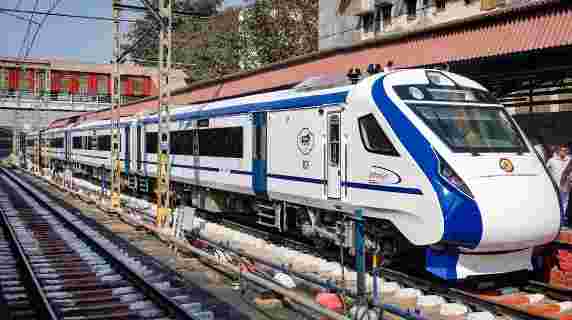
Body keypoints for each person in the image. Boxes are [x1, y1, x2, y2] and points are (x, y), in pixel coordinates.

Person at [547, 145, 572, 225]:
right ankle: (554, 219)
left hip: (565, 185)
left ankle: (562, 220)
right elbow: (546, 171)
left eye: (565, 150)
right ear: (558, 151)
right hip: (554, 186)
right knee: (555, 202)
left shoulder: (569, 160)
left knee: (565, 202)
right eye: (562, 150)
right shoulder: (552, 160)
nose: (563, 152)